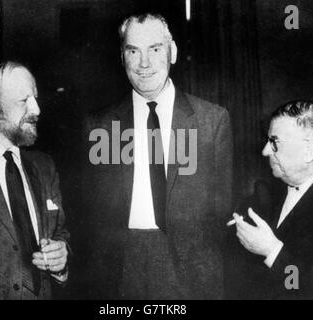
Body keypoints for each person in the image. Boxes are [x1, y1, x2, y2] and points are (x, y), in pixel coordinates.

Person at [81, 13, 232, 299]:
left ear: (172, 52)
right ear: (121, 57)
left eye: (155, 49)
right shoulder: (98, 125)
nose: (144, 63)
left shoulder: (212, 120)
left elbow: (221, 208)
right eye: (133, 51)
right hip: (122, 271)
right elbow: (92, 212)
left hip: (194, 271)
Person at [0, 59, 70, 299]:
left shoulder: (44, 167)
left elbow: (60, 232)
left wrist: (61, 260)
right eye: (24, 101)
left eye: (35, 98)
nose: (37, 109)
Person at [229, 100, 313, 299]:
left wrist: (272, 251)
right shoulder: (273, 192)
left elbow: (311, 292)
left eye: (274, 143)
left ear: (308, 150)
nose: (265, 151)